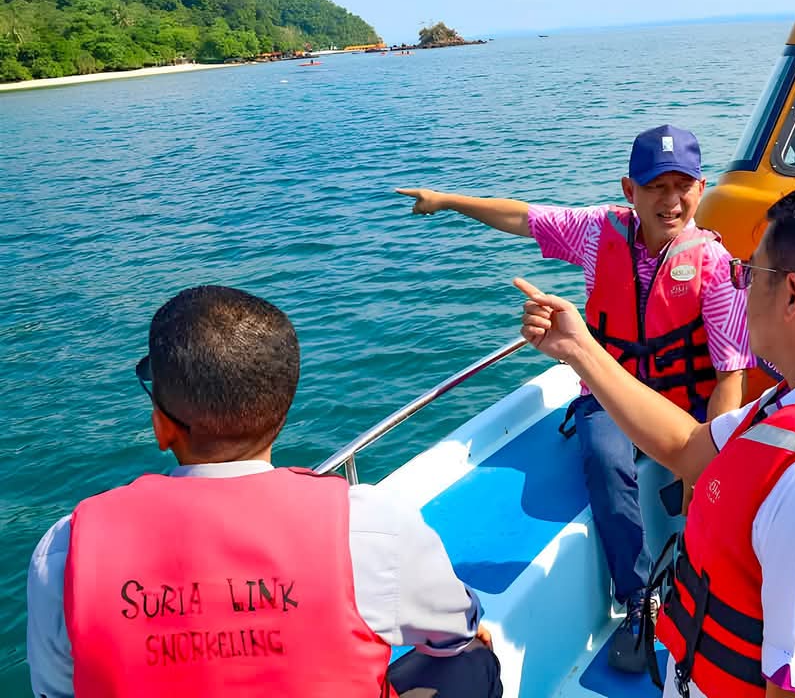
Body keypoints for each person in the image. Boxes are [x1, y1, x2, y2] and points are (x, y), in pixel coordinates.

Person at [513, 180, 795, 698]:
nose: (738, 285)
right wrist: (579, 349)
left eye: (749, 272)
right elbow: (688, 447)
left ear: (791, 294)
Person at [26, 285, 502, 698]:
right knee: (473, 659)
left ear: (162, 429)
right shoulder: (368, 526)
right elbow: (453, 631)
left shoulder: (66, 551)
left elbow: (57, 689)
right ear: (282, 412)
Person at [396, 125, 754, 672]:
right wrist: (446, 201)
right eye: (656, 185)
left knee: (711, 480)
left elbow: (730, 376)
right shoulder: (596, 231)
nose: (672, 200)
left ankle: (706, 571)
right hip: (608, 392)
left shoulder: (715, 267)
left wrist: (708, 463)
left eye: (684, 185)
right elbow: (524, 217)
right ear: (629, 190)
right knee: (607, 460)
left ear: (701, 189)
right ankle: (639, 600)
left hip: (682, 403)